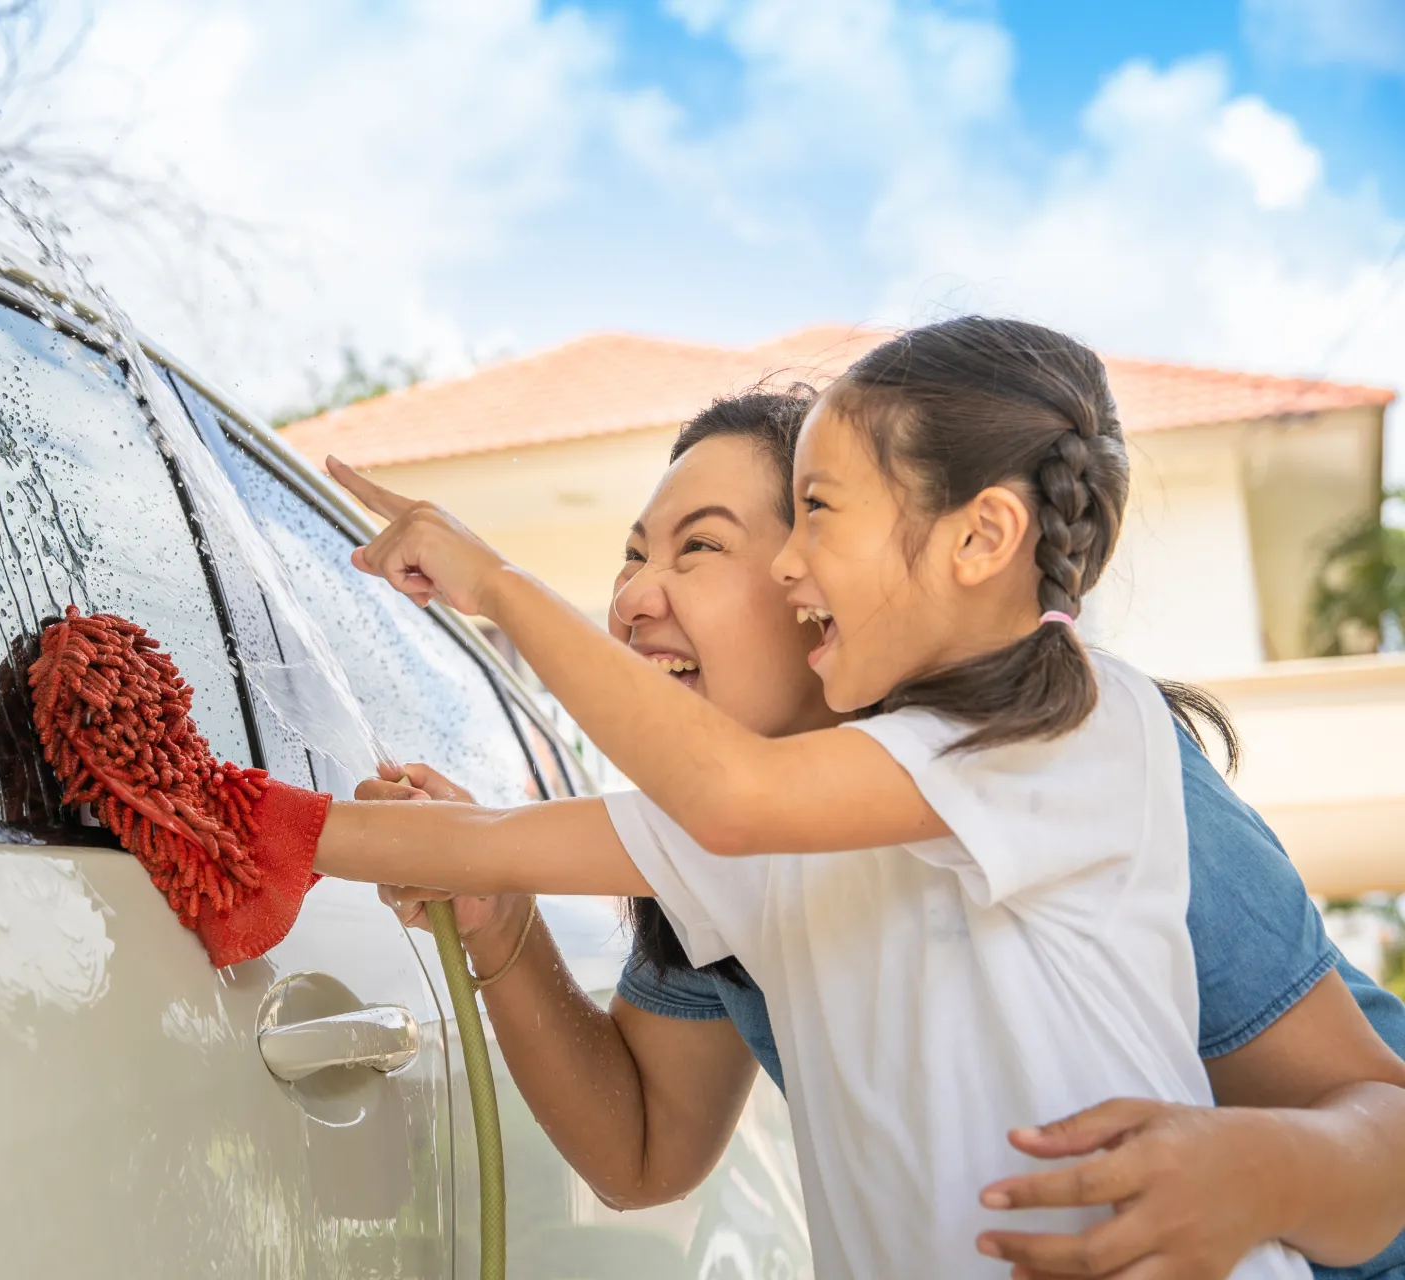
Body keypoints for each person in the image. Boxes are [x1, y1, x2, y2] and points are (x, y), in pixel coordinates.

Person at [297, 317, 1359, 1276]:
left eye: (701, 545)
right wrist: (496, 912)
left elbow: (1380, 1125)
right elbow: (641, 1146)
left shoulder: (1064, 744)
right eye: (628, 558)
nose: (627, 600)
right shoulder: (724, 845)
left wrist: (496, 586)